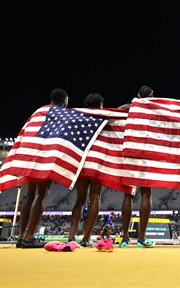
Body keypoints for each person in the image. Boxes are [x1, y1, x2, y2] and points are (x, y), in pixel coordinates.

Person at [18, 88, 69, 249]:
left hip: (30, 153)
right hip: (44, 155)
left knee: (29, 195)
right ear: (64, 101)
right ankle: (29, 236)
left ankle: (20, 237)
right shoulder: (61, 113)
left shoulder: (39, 111)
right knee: (41, 195)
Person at [119, 85, 154, 248]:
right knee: (146, 194)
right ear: (152, 96)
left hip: (130, 151)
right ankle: (141, 239)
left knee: (128, 195)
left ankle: (125, 239)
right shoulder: (156, 108)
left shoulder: (129, 107)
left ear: (137, 95)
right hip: (147, 152)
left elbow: (116, 111)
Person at [68, 93, 104, 247]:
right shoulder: (103, 115)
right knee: (95, 197)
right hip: (97, 161)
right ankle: (86, 238)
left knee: (80, 200)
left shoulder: (78, 115)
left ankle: (71, 237)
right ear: (101, 105)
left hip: (82, 160)